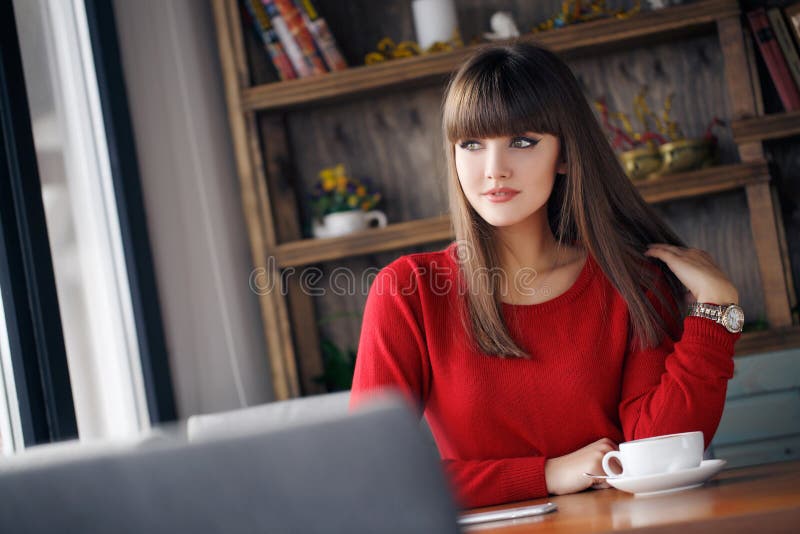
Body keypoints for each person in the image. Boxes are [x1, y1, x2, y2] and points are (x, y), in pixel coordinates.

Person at [349, 41, 743, 509]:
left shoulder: (630, 281)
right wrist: (546, 474)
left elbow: (657, 451)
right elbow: (369, 471)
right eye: (471, 144)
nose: (493, 170)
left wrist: (716, 312)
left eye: (522, 141)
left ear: (564, 153)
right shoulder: (408, 292)